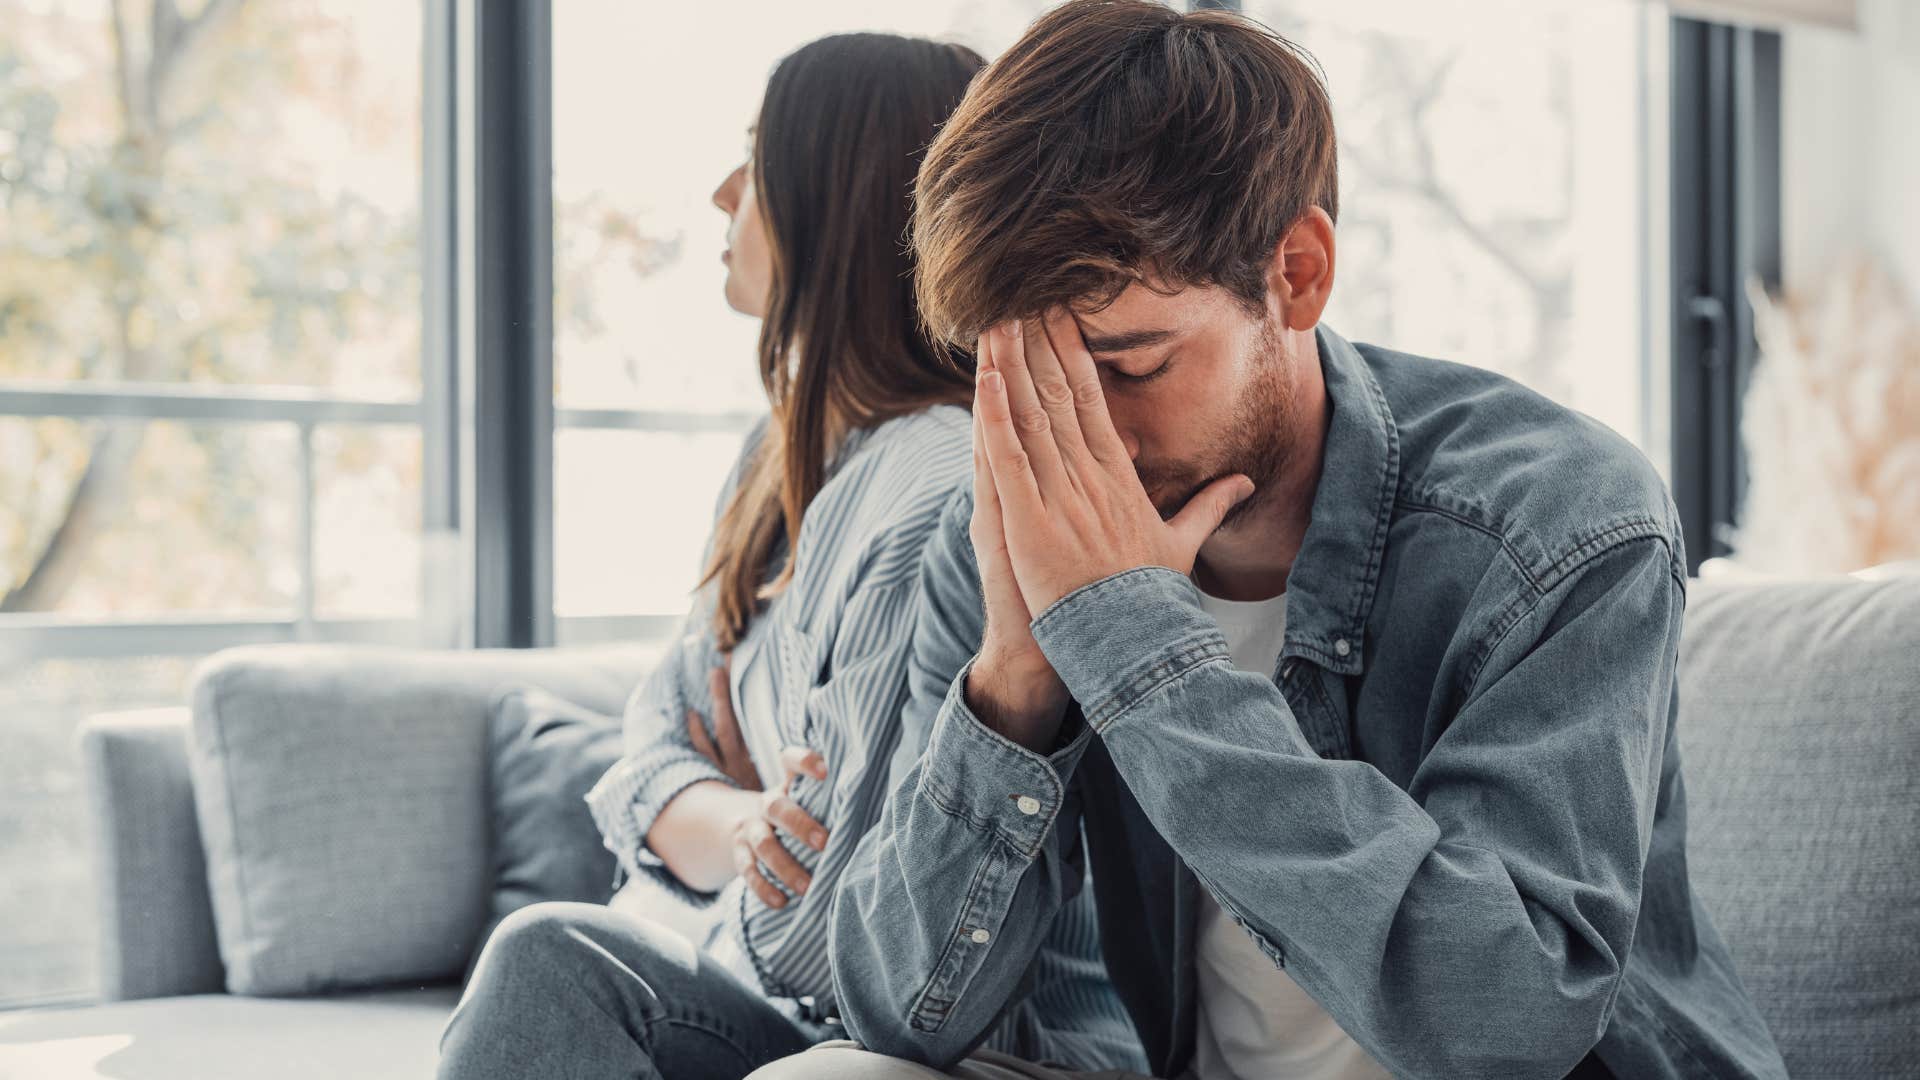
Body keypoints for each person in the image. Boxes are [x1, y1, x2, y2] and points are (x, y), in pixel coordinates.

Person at [753, 3, 1788, 1078]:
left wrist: (1137, 651)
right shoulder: (1024, 533)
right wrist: (1015, 683)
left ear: (1296, 271)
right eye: (1029, 383)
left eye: (1131, 365)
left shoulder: (1557, 520)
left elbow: (1504, 1022)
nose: (1082, 444)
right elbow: (893, 1009)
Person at [437, 31, 1139, 1080]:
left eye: (760, 157)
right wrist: (740, 819)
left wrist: (722, 825)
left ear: (844, 203)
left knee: (554, 963)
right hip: (787, 1014)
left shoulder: (937, 493)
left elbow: (827, 937)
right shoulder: (777, 466)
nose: (725, 192)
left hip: (956, 1047)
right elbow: (645, 749)